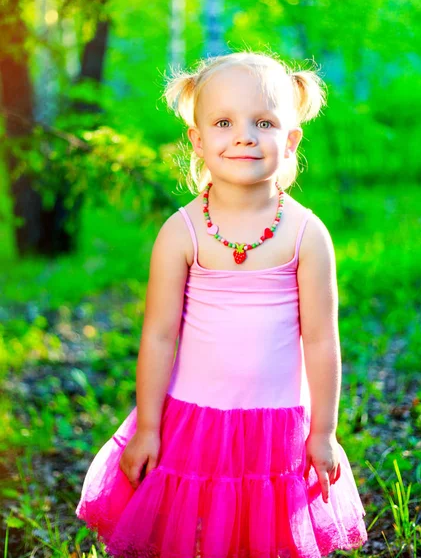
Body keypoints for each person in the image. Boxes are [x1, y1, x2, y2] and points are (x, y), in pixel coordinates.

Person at [75, 50, 368, 558]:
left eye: (264, 122)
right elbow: (159, 335)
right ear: (198, 139)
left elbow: (321, 340)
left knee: (262, 530)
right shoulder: (182, 232)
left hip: (276, 424)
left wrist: (323, 432)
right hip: (193, 421)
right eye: (224, 122)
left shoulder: (306, 234)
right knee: (194, 531)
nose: (244, 135)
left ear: (291, 138)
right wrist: (148, 426)